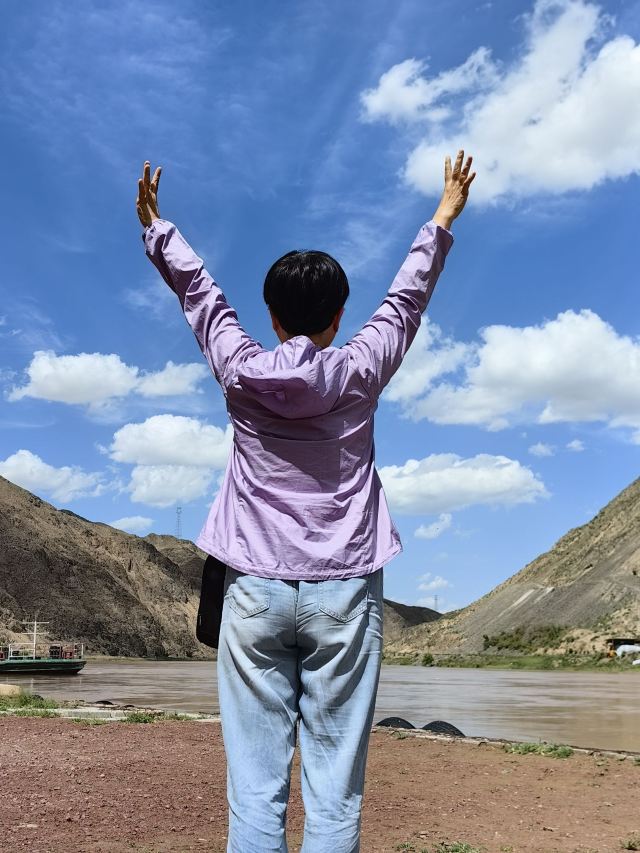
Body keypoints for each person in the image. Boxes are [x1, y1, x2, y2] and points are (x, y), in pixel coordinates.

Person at [136, 151, 475, 853]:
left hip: (253, 590)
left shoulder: (240, 369)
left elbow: (201, 295)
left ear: (270, 315)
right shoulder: (360, 368)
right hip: (345, 591)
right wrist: (442, 215)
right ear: (339, 316)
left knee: (255, 784)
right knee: (334, 784)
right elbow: (406, 299)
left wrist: (158, 230)